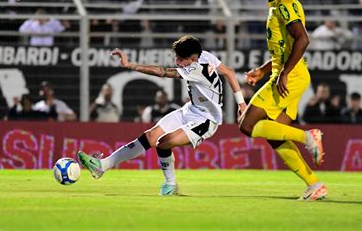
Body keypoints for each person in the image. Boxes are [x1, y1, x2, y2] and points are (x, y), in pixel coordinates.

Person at [78, 35, 247, 195]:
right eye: (176, 57)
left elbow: (162, 72)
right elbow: (229, 72)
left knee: (163, 143)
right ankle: (102, 165)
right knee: (150, 136)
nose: (177, 62)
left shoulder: (197, 69)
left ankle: (170, 184)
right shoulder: (206, 56)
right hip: (190, 110)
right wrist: (241, 104)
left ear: (193, 59)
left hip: (206, 120)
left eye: (180, 59)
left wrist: (130, 65)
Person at [238, 0, 327, 201]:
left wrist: (284, 73)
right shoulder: (277, 5)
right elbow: (284, 49)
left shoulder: (286, 4)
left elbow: (302, 39)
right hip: (288, 74)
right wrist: (263, 70)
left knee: (246, 125)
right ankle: (314, 185)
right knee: (276, 135)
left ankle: (309, 137)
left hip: (291, 76)